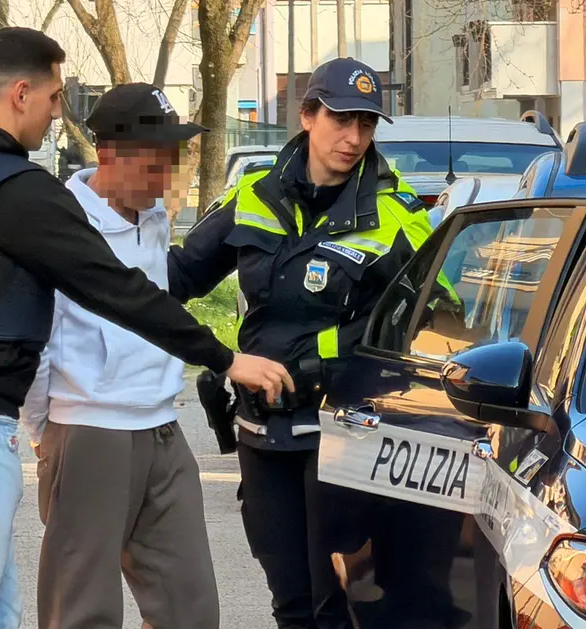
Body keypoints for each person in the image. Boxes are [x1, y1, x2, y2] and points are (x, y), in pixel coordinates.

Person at [0, 27, 292, 629]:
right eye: (56, 97)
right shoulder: (17, 189)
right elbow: (117, 291)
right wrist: (224, 358)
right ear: (22, 93)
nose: (60, 112)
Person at [168, 57, 432, 629]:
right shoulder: (254, 196)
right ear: (307, 116)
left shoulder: (397, 213)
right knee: (289, 600)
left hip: (344, 431)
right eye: (341, 120)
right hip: (263, 434)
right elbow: (176, 277)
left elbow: (431, 321)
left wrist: (323, 357)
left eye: (366, 124)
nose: (354, 137)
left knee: (335, 604)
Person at [19, 83, 220, 629]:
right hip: (88, 428)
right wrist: (45, 432)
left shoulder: (154, 216)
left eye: (172, 159)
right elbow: (34, 335)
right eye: (154, 160)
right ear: (108, 152)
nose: (165, 175)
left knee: (192, 609)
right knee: (82, 610)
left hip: (161, 428)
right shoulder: (60, 220)